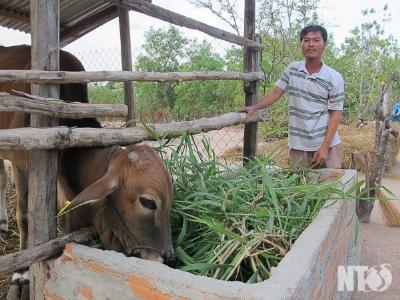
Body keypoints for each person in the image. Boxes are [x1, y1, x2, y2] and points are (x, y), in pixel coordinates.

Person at [239, 24, 344, 169]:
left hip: (326, 146)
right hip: (298, 145)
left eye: (316, 40)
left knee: (330, 188)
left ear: (324, 44)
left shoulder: (334, 77)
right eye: (306, 40)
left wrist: (325, 147)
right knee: (301, 188)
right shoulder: (293, 69)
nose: (311, 44)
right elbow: (276, 92)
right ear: (301, 44)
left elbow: (335, 113)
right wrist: (254, 107)